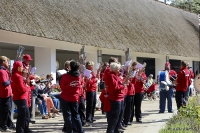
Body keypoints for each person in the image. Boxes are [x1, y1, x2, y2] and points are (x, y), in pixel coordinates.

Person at [60, 60, 84, 133]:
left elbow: (62, 87)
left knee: (67, 116)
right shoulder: (79, 76)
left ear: (70, 67)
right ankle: (80, 131)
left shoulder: (65, 76)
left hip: (66, 97)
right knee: (76, 115)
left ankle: (69, 131)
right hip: (75, 98)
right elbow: (81, 86)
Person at [11, 61, 32, 133]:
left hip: (18, 97)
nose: (22, 68)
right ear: (18, 67)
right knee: (23, 115)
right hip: (21, 97)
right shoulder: (18, 76)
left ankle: (25, 129)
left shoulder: (14, 75)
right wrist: (27, 87)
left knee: (25, 115)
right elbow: (22, 89)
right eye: (21, 66)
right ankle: (20, 130)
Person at [106, 62, 125, 133]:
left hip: (120, 97)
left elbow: (119, 84)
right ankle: (110, 131)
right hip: (115, 98)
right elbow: (115, 87)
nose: (119, 70)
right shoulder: (111, 76)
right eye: (118, 69)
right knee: (115, 117)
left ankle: (116, 130)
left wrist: (123, 83)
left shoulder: (116, 76)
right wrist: (123, 86)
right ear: (114, 69)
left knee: (119, 116)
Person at [0, 56, 15, 132]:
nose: (8, 63)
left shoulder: (4, 71)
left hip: (7, 94)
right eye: (7, 61)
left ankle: (9, 124)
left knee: (8, 111)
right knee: (5, 111)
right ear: (3, 62)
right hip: (4, 95)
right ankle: (3, 126)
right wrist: (10, 80)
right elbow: (4, 83)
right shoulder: (2, 71)